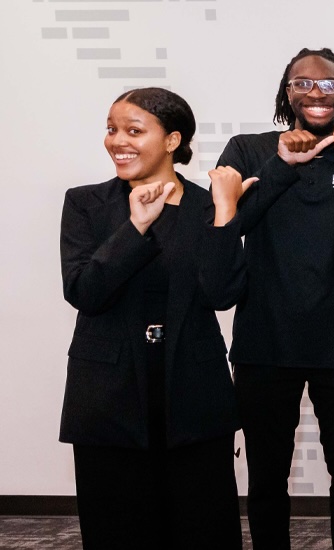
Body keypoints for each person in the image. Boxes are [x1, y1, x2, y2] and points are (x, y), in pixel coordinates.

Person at [212, 47, 334, 550]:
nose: (317, 93)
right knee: (267, 474)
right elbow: (231, 224)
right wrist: (282, 163)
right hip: (265, 341)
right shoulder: (248, 150)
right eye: (303, 83)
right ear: (286, 92)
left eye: (330, 84)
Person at [60, 87, 244, 549]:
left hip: (193, 391)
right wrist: (136, 225)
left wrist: (225, 212)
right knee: (118, 530)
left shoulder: (208, 205)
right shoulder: (85, 203)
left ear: (172, 140)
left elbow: (222, 294)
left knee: (203, 529)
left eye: (133, 130)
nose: (117, 141)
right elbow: (85, 292)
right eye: (111, 129)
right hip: (109, 394)